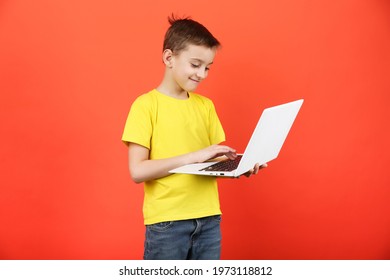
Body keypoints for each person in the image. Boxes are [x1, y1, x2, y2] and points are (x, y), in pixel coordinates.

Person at [122, 15, 266, 260]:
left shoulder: (206, 106)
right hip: (167, 223)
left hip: (209, 219)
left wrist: (239, 166)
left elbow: (210, 163)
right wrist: (194, 156)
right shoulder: (145, 106)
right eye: (195, 64)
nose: (202, 74)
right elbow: (138, 171)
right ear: (169, 58)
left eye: (208, 67)